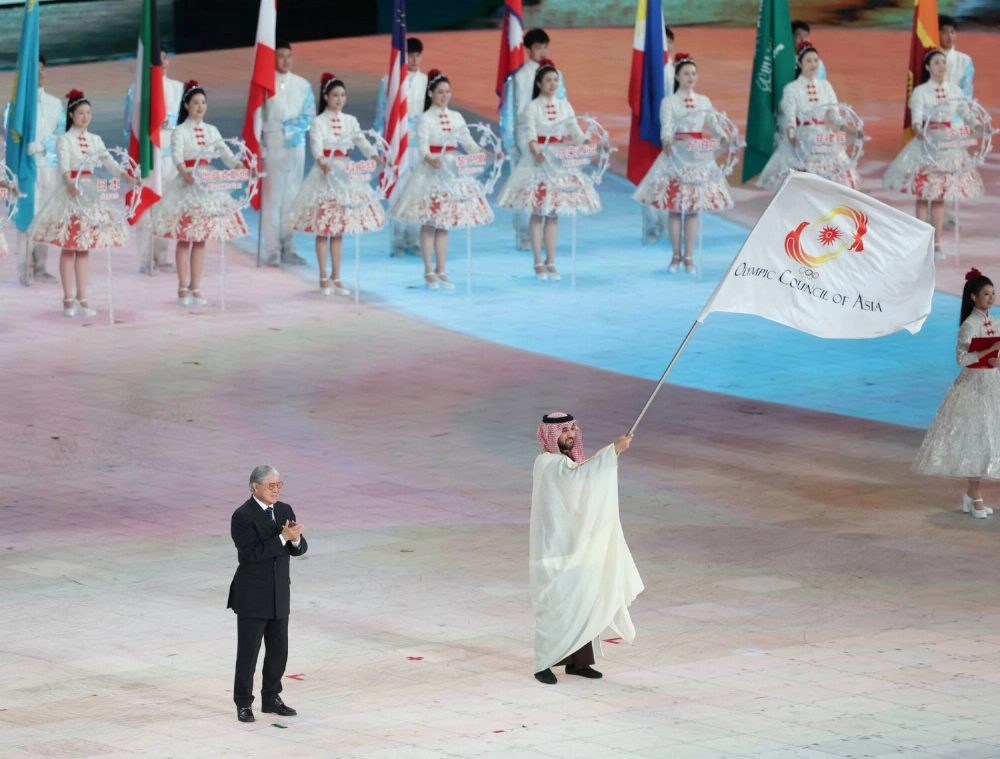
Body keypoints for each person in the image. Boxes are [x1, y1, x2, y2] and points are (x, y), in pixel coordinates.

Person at [531, 413, 643, 685]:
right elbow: (580, 478)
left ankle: (579, 663)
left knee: (584, 602)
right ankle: (543, 663)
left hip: (577, 545)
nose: (570, 434)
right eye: (564, 430)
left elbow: (583, 479)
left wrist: (611, 455)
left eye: (572, 429)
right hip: (557, 548)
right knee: (557, 606)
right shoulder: (548, 464)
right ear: (549, 434)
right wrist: (613, 450)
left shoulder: (565, 464)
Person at [390, 69, 497, 290]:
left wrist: (486, 153)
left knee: (444, 223)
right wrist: (430, 159)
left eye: (447, 92)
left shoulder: (456, 117)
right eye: (440, 92)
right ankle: (429, 270)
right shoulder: (426, 118)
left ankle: (442, 270)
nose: (445, 96)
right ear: (431, 93)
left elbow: (467, 142)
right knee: (430, 222)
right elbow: (422, 146)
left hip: (451, 171)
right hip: (431, 172)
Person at [28, 89, 130, 318]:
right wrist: (70, 184)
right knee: (70, 246)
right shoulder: (64, 139)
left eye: (88, 113)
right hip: (72, 194)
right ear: (72, 115)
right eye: (81, 113)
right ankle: (67, 299)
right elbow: (64, 166)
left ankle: (82, 298)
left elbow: (109, 161)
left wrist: (126, 176)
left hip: (91, 193)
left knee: (84, 247)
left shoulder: (96, 140)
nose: (85, 116)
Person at [497, 60, 598, 281]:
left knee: (553, 213)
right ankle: (537, 261)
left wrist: (584, 140)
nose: (553, 84)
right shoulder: (532, 108)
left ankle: (551, 261)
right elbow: (529, 134)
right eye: (548, 80)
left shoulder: (565, 106)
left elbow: (575, 129)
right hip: (539, 162)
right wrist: (535, 151)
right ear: (539, 84)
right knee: (537, 210)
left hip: (559, 161)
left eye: (555, 80)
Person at [286, 74, 386, 296]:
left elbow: (361, 140)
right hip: (326, 174)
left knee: (339, 229)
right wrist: (321, 161)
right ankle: (323, 276)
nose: (339, 99)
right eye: (335, 95)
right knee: (324, 228)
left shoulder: (350, 121)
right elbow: (317, 146)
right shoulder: (318, 122)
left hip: (345, 174)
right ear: (326, 97)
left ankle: (336, 276)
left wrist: (374, 156)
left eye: (342, 95)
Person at [633, 53, 733, 274]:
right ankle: (676, 255)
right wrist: (667, 141)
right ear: (677, 76)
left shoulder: (704, 101)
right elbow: (667, 126)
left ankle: (689, 257)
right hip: (677, 156)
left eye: (694, 73)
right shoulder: (669, 102)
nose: (691, 77)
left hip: (699, 157)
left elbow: (713, 124)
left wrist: (723, 136)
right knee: (676, 208)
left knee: (694, 208)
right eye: (686, 73)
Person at [152, 81, 249, 306]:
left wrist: (238, 167)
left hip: (207, 184)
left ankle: (196, 287)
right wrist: (184, 172)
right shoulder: (180, 131)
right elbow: (176, 155)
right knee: (186, 238)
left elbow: (225, 153)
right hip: (188, 184)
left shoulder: (211, 130)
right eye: (195, 102)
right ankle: (182, 287)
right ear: (186, 104)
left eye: (203, 102)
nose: (200, 106)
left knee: (201, 239)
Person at [914, 270, 1000, 519]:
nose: (991, 298)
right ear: (974, 297)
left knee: (990, 438)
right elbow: (962, 358)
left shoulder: (996, 323)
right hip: (973, 385)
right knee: (974, 439)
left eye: (993, 294)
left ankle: (972, 495)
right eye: (986, 294)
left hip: (993, 382)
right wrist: (989, 351)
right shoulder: (969, 325)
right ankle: (974, 494)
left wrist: (997, 359)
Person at [882, 49, 984, 259]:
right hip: (927, 146)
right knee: (924, 194)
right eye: (937, 63)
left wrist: (976, 124)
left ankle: (937, 245)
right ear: (928, 67)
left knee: (939, 196)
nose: (941, 66)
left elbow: (965, 112)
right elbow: (917, 116)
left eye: (944, 63)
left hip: (948, 146)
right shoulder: (921, 91)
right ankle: (921, 244)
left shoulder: (954, 89)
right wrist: (918, 129)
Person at [228, 465, 307, 722]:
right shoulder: (242, 516)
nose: (276, 490)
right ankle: (243, 703)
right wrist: (283, 538)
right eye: (270, 486)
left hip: (279, 593)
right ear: (255, 486)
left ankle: (271, 697)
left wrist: (295, 539)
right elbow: (251, 555)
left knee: (278, 650)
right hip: (252, 595)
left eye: (278, 485)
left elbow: (297, 548)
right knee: (248, 654)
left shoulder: (284, 510)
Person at [758, 41, 859, 191]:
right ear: (799, 63)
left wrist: (853, 132)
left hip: (823, 138)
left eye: (816, 60)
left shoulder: (826, 86)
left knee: (831, 185)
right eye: (808, 60)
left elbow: (836, 119)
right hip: (802, 138)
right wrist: (792, 138)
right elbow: (790, 119)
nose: (813, 64)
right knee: (800, 186)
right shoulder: (791, 89)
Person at [500, 28, 568, 251]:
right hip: (525, 135)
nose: (542, 51)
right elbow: (509, 112)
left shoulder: (556, 74)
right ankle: (524, 234)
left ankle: (546, 230)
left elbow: (562, 104)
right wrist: (510, 143)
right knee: (526, 186)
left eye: (545, 47)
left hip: (550, 136)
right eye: (538, 47)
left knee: (548, 184)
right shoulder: (517, 77)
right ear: (528, 50)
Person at [124, 46, 184, 276]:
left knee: (167, 208)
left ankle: (162, 256)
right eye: (158, 60)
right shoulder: (136, 90)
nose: (163, 63)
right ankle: (146, 259)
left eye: (165, 58)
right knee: (147, 207)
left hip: (170, 158)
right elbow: (129, 125)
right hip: (148, 158)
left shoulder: (179, 89)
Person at [4, 54, 63, 286]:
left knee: (45, 219)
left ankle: (41, 267)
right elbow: (9, 137)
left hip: (49, 167)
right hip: (26, 171)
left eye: (42, 69)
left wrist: (41, 146)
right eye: (34, 70)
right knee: (27, 218)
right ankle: (24, 269)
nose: (40, 74)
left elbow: (60, 135)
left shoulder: (56, 103)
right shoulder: (15, 106)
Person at [260, 41, 316, 267]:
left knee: (292, 197)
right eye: (280, 56)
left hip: (296, 148)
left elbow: (309, 116)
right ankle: (272, 249)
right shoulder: (264, 85)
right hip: (273, 147)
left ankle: (289, 246)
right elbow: (258, 118)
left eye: (288, 56)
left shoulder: (303, 85)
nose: (285, 61)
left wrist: (289, 128)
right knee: (273, 199)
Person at [374, 37, 427, 256]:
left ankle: (414, 238)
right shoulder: (389, 81)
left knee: (418, 191)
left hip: (421, 144)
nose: (414, 59)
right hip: (397, 144)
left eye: (417, 55)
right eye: (410, 55)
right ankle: (396, 240)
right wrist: (382, 146)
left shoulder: (427, 82)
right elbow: (381, 116)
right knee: (397, 190)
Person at [642, 25, 675, 245]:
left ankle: (669, 224)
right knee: (649, 179)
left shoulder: (677, 71)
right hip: (651, 130)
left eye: (667, 43)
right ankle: (651, 225)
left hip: (674, 135)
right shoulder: (646, 71)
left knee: (671, 180)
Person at [939, 15, 974, 98]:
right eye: (945, 32)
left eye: (952, 32)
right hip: (933, 109)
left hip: (957, 108)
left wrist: (953, 106)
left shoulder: (965, 61)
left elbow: (967, 91)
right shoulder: (929, 58)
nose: (949, 36)